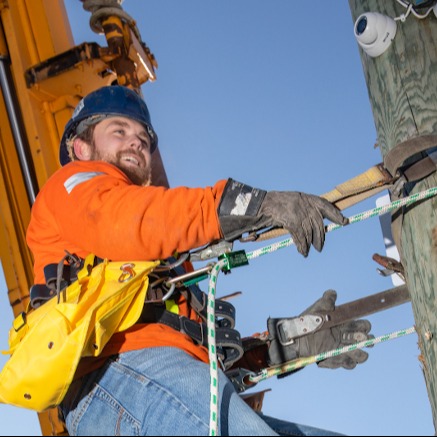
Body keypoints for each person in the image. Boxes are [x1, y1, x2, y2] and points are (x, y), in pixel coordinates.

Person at [26, 85, 372, 436]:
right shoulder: (74, 186)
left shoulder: (159, 257)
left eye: (144, 139)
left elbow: (196, 343)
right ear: (81, 148)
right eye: (119, 131)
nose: (137, 142)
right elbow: (128, 220)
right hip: (117, 372)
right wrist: (246, 205)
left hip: (164, 379)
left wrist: (286, 346)